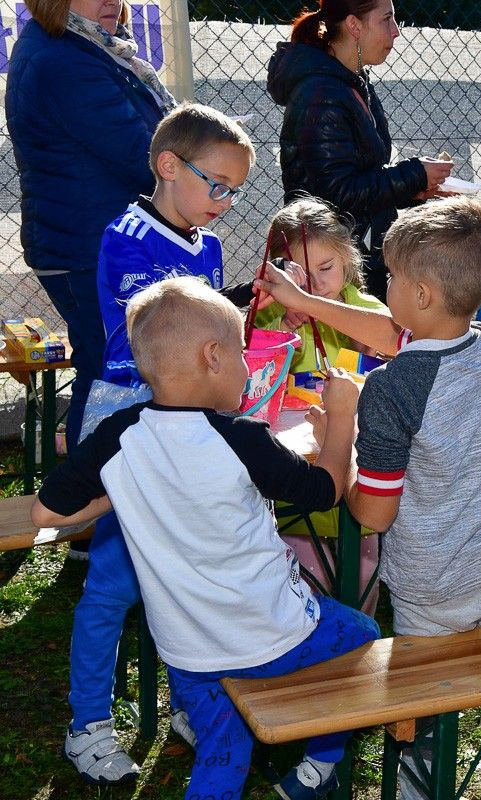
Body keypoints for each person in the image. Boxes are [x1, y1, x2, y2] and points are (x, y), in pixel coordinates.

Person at [32, 278, 380, 800]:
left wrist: (129, 488)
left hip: (189, 654)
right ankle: (319, 764)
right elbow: (325, 490)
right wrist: (342, 421)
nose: (248, 365)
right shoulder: (240, 437)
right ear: (213, 357)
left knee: (224, 748)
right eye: (243, 352)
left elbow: (46, 509)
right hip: (274, 634)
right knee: (363, 635)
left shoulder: (119, 435)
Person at [60, 103, 257, 786]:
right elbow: (154, 339)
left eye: (237, 190)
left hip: (185, 422)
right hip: (131, 421)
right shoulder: (128, 236)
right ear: (169, 167)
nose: (226, 204)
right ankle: (87, 723)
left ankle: (190, 700)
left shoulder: (206, 245)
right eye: (218, 185)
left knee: (185, 574)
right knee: (113, 584)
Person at [346, 197, 481, 800]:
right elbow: (403, 342)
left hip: (436, 580)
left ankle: (416, 788)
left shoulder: (388, 390)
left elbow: (375, 513)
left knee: (424, 695)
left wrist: (346, 472)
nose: (386, 288)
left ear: (423, 295)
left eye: (392, 278)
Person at [6, 0, 176, 560]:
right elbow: (141, 153)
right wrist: (196, 156)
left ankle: (88, 513)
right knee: (107, 373)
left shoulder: (83, 47)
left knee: (106, 369)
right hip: (86, 245)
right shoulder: (62, 59)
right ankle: (85, 520)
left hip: (92, 238)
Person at [268, 0, 453, 301]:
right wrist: (414, 175)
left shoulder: (352, 80)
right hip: (327, 268)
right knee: (349, 349)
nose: (396, 32)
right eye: (386, 20)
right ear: (354, 25)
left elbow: (363, 175)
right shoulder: (322, 93)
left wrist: (417, 188)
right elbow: (336, 193)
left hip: (354, 255)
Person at [256, 196, 389, 613]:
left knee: (363, 573)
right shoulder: (266, 316)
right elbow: (251, 375)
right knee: (306, 571)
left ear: (348, 258)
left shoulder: (366, 312)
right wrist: (279, 327)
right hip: (293, 477)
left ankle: (355, 646)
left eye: (325, 269)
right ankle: (315, 642)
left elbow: (395, 360)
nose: (311, 287)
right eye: (298, 275)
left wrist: (367, 351)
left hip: (353, 466)